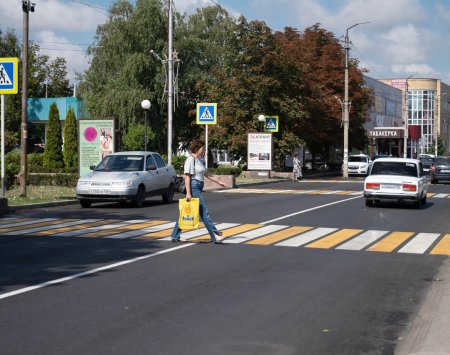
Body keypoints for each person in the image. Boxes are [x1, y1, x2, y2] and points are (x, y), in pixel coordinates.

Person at [171, 139, 227, 244]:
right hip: (193, 187)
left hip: (198, 186)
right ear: (197, 148)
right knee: (203, 212)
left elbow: (207, 174)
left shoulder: (200, 160)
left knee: (187, 212)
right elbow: (187, 176)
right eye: (202, 148)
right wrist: (188, 192)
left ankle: (175, 235)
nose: (204, 150)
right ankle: (215, 234)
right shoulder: (190, 159)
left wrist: (219, 182)